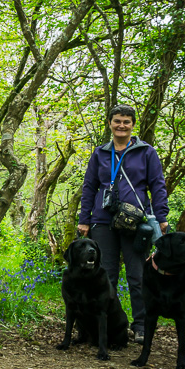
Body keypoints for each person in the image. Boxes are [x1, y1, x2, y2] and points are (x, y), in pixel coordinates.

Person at [77, 104, 169, 342]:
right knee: (106, 276)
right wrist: (84, 219)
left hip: (135, 221)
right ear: (110, 123)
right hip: (102, 221)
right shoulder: (100, 153)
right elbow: (89, 187)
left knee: (137, 276)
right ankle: (109, 324)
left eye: (126, 122)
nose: (121, 126)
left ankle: (141, 326)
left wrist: (161, 217)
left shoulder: (146, 152)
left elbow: (157, 185)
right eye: (117, 121)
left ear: (133, 125)